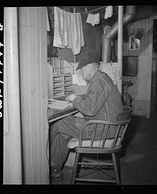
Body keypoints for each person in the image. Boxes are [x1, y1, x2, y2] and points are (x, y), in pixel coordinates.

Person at [49, 50, 123, 181]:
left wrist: (74, 99)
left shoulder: (99, 81)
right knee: (63, 133)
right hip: (107, 126)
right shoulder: (101, 78)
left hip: (103, 129)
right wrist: (78, 97)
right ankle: (55, 169)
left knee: (59, 123)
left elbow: (89, 110)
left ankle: (42, 162)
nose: (81, 74)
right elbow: (94, 98)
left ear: (89, 67)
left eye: (81, 70)